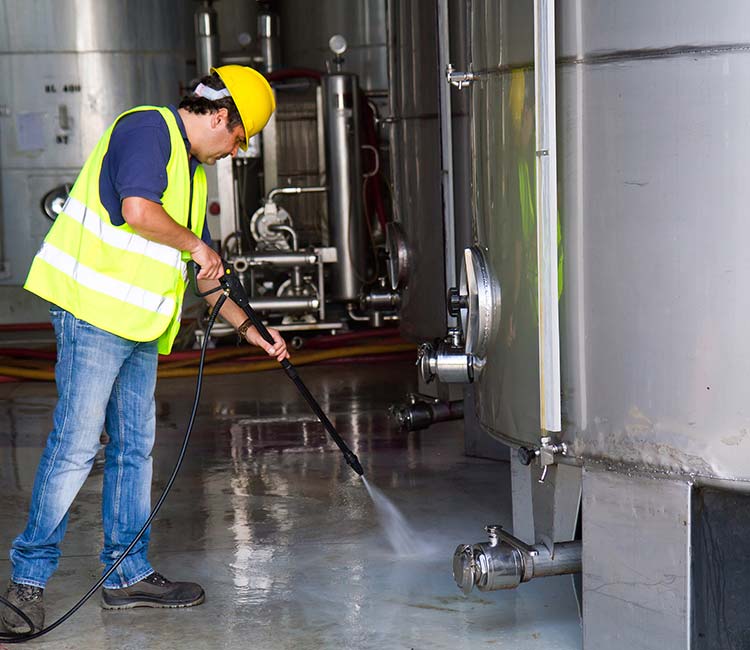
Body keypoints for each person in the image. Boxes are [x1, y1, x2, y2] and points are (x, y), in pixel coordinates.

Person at [1, 65, 289, 634]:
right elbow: (138, 211)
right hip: (90, 315)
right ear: (219, 116)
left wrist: (252, 328)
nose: (235, 150)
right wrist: (198, 247)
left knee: (135, 448)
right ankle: (25, 585)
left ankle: (127, 575)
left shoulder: (195, 175)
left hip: (137, 329)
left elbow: (205, 274)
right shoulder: (146, 129)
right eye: (238, 138)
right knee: (77, 447)